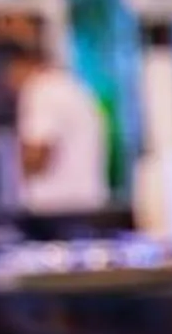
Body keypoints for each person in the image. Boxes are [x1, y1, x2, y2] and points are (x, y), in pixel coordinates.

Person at [9, 37, 110, 216]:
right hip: (87, 203)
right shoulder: (74, 87)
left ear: (24, 65)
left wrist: (13, 181)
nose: (9, 82)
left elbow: (38, 151)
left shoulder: (41, 89)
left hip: (55, 208)